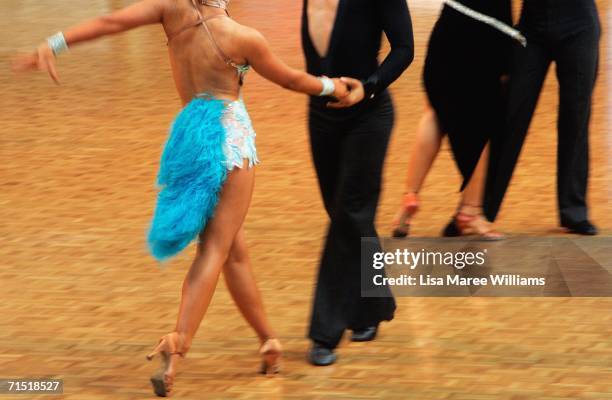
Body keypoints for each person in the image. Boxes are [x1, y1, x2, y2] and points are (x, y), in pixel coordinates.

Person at [12, 0, 352, 396]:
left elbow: (110, 22)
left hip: (190, 140)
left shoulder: (169, 9)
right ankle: (180, 341)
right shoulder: (242, 36)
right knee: (214, 249)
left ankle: (267, 339)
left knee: (232, 250)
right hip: (228, 142)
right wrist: (334, 86)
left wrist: (53, 43)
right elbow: (293, 80)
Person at [302, 0, 414, 366]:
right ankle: (371, 305)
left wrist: (368, 87)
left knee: (350, 212)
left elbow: (404, 49)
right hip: (321, 118)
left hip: (368, 114)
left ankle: (325, 331)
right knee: (348, 218)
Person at [392, 0, 521, 240]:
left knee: (434, 113)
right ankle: (470, 212)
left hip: (449, 25)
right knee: (485, 123)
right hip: (487, 31)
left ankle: (409, 198)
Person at [484, 0, 601, 236]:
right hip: (532, 24)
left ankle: (574, 211)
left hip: (579, 23)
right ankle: (480, 209)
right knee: (509, 113)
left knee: (576, 116)